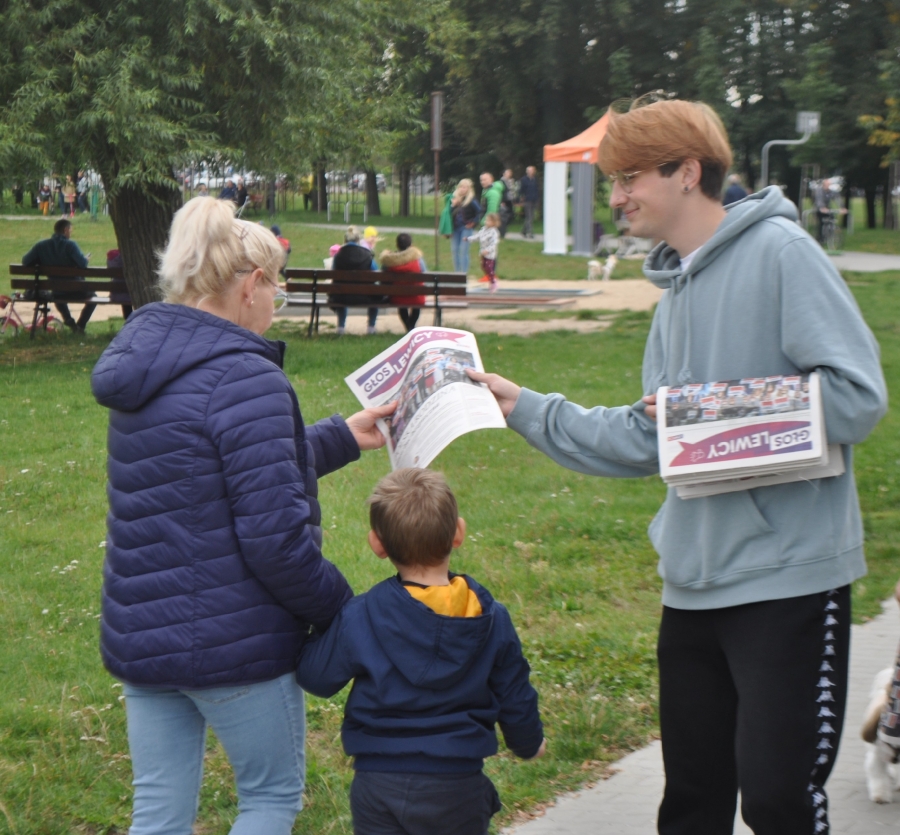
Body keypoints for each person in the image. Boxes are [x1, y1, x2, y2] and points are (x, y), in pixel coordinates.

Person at [470, 96, 887, 835]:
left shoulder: (783, 253)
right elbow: (652, 438)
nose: (617, 196)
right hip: (691, 586)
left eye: (629, 178)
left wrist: (711, 413)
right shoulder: (673, 295)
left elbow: (857, 398)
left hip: (789, 580)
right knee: (691, 806)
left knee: (779, 803)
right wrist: (523, 406)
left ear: (687, 172)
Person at [90, 196, 395, 835]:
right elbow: (276, 542)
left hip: (144, 638)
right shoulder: (247, 378)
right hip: (235, 647)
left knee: (158, 813)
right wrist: (344, 612)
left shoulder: (143, 368)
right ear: (251, 285)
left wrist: (341, 436)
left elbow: (213, 471)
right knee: (270, 798)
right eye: (276, 288)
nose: (274, 303)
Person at [297, 468, 545, 835]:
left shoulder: (361, 615)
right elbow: (514, 692)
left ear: (377, 544)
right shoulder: (489, 617)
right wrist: (528, 743)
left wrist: (312, 625)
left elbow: (316, 678)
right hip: (458, 786)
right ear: (458, 532)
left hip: (378, 785)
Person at [21, 218, 96, 332]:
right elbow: (83, 264)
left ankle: (68, 319)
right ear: (65, 230)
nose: (70, 233)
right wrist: (86, 259)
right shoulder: (70, 245)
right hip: (76, 291)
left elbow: (26, 261)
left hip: (56, 291)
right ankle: (80, 325)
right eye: (70, 230)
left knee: (58, 295)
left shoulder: (41, 246)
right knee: (93, 297)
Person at [329, 225, 383, 335]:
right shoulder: (367, 254)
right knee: (376, 292)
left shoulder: (338, 256)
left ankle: (341, 328)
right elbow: (376, 272)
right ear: (358, 240)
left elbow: (334, 273)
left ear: (345, 240)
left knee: (341, 288)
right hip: (366, 296)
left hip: (342, 296)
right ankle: (371, 327)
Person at [380, 232, 426, 332]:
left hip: (398, 298)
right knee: (416, 301)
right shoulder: (418, 260)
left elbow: (383, 280)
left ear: (397, 245)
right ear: (411, 245)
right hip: (416, 297)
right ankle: (411, 327)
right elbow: (424, 274)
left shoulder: (390, 260)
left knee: (402, 301)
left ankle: (409, 328)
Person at [449, 179, 480, 275]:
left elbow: (479, 212)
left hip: (466, 228)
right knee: (454, 250)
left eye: (465, 187)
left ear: (469, 189)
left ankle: (464, 273)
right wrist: (453, 205)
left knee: (463, 250)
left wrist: (473, 222)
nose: (462, 189)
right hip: (455, 228)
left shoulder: (471, 200)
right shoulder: (455, 199)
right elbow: (448, 214)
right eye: (461, 187)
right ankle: (457, 272)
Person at [465, 213, 500, 292]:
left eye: (489, 221)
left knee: (488, 267)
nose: (486, 222)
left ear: (494, 222)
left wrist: (488, 250)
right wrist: (468, 239)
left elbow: (494, 243)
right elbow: (477, 236)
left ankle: (493, 282)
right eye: (486, 220)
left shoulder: (494, 232)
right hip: (483, 253)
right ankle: (491, 279)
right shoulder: (484, 229)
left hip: (490, 254)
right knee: (483, 266)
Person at [519, 166, 540, 238]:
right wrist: (521, 197)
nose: (530, 172)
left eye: (531, 170)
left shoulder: (535, 179)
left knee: (531, 216)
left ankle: (523, 231)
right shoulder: (524, 179)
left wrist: (537, 198)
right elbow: (521, 189)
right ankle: (530, 232)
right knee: (529, 216)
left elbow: (537, 189)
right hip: (527, 199)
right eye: (528, 170)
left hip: (534, 199)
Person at [499, 168, 517, 238]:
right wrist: (501, 201)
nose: (509, 174)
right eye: (508, 173)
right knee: (504, 214)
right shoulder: (501, 181)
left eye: (510, 173)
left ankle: (504, 227)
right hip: (504, 200)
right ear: (504, 174)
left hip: (510, 199)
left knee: (510, 214)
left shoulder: (511, 181)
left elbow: (513, 190)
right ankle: (502, 228)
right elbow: (501, 192)